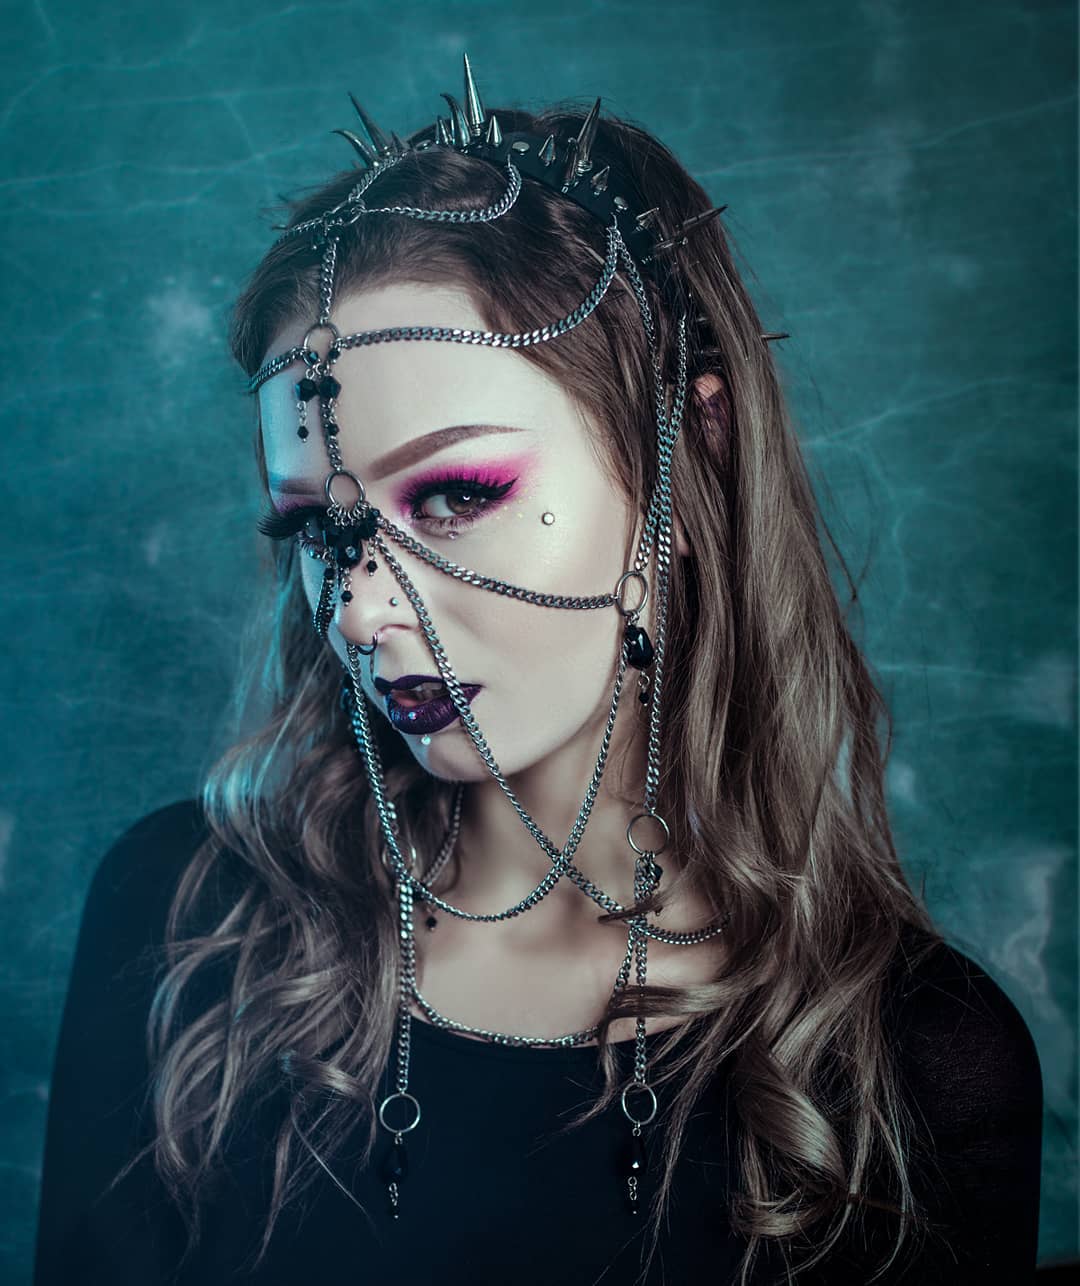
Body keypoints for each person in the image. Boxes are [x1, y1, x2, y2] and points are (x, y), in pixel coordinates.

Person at [34, 56, 1044, 1286]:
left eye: (457, 493)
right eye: (316, 528)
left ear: (688, 456)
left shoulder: (914, 1064)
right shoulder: (179, 922)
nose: (360, 607)